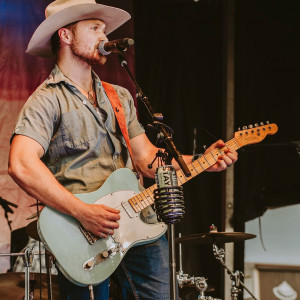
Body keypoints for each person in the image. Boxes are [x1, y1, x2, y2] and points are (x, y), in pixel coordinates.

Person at [8, 0, 238, 299]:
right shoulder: (47, 100)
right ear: (65, 36)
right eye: (94, 28)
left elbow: (146, 159)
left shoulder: (120, 96)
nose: (104, 37)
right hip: (82, 232)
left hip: (139, 223)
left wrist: (203, 161)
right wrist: (83, 211)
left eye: (104, 29)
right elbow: (22, 164)